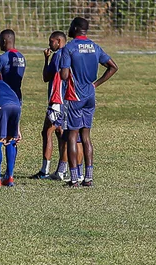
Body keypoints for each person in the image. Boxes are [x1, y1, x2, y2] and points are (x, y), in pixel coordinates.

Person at [59, 17, 117, 187]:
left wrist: (65, 68)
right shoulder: (95, 46)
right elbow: (113, 66)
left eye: (70, 25)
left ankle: (74, 179)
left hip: (74, 96)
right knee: (86, 136)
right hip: (90, 95)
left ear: (75, 28)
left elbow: (63, 75)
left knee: (71, 135)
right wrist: (95, 84)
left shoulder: (69, 48)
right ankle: (88, 178)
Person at [32, 31, 69, 180]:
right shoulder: (70, 54)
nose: (49, 44)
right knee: (62, 134)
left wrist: (46, 60)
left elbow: (46, 77)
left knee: (47, 132)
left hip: (57, 100)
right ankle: (61, 170)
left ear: (59, 41)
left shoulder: (58, 55)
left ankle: (44, 170)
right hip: (68, 100)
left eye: (51, 41)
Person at [0, 29, 26, 99]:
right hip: (17, 97)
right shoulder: (22, 57)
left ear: (4, 41)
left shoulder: (2, 58)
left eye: (0, 41)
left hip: (3, 97)